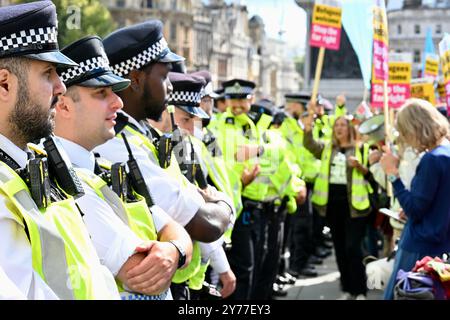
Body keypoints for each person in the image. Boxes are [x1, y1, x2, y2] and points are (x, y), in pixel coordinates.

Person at [54, 36, 193, 300]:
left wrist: (174, 249)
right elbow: (141, 272)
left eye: (114, 92)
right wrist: (175, 250)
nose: (118, 103)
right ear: (63, 104)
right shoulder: (61, 178)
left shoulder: (106, 168)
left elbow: (172, 226)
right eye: (101, 93)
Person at [0, 1, 119, 299]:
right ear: (3, 84)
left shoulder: (36, 165)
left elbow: (90, 267)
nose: (61, 87)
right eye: (49, 73)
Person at [94, 20, 233, 244]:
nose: (170, 86)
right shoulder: (119, 143)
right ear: (136, 79)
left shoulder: (142, 135)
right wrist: (226, 203)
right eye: (164, 76)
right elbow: (206, 225)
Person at [380, 98, 450, 300]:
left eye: (403, 132)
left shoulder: (433, 159)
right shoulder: (445, 152)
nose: (403, 138)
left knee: (401, 293)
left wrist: (393, 175)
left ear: (415, 128)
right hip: (440, 243)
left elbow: (415, 209)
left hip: (420, 245)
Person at [303, 113, 372, 300]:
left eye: (343, 125)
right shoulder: (327, 149)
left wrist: (361, 167)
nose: (339, 128)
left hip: (355, 207)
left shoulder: (362, 149)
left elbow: (373, 177)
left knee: (353, 248)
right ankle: (347, 288)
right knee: (340, 249)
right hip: (332, 206)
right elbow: (309, 145)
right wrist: (308, 129)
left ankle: (360, 290)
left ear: (350, 129)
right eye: (337, 125)